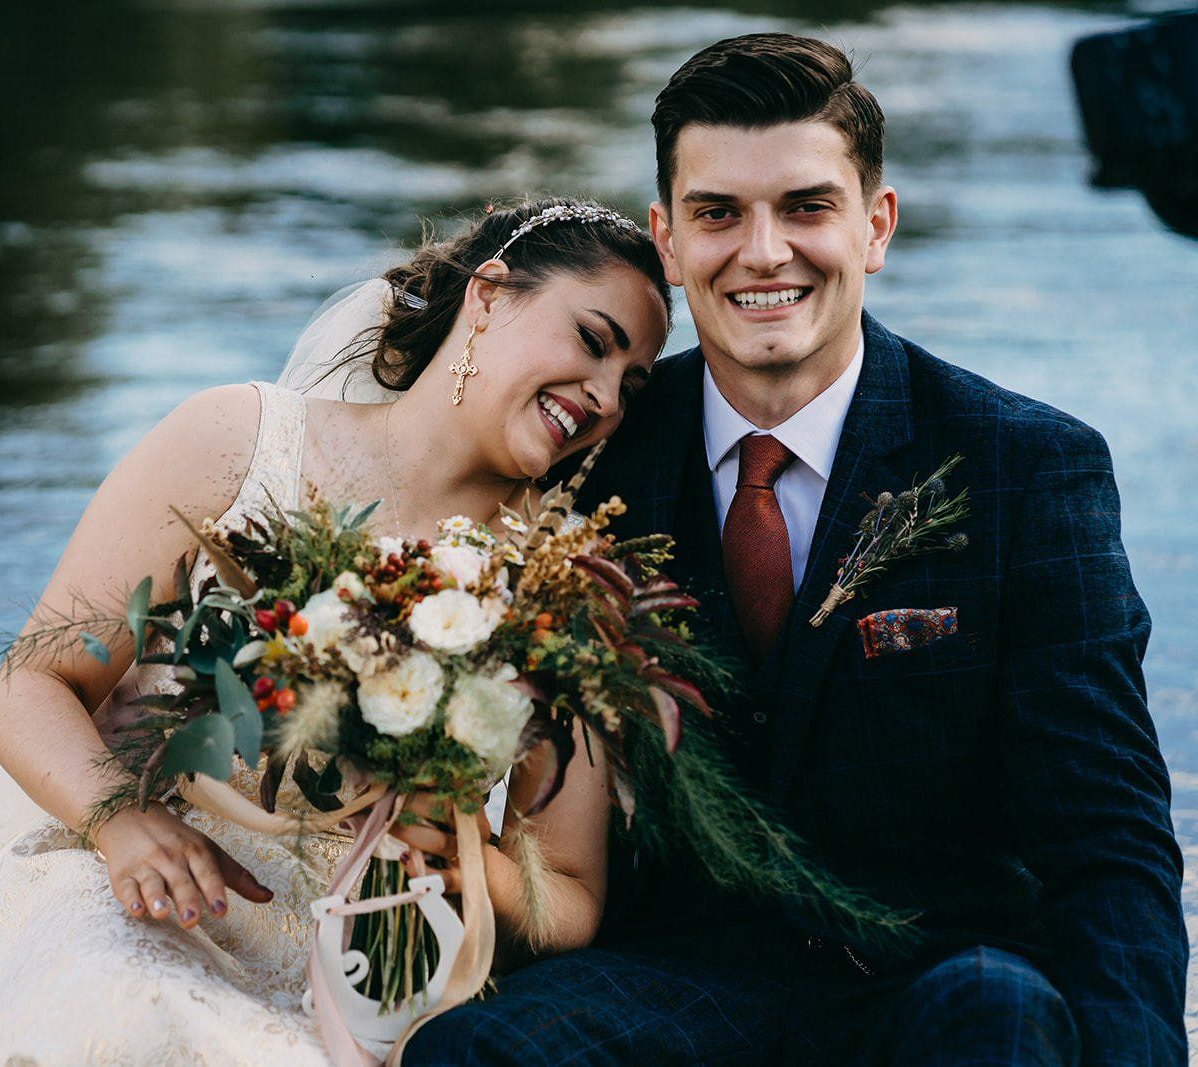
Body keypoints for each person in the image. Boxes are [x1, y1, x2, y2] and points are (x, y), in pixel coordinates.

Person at [404, 33, 1187, 1066]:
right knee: (476, 1052)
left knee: (1006, 1016)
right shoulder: (585, 462)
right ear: (668, 239)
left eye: (807, 208)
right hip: (674, 974)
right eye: (718, 212)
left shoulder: (1025, 465)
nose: (763, 251)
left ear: (875, 224)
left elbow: (1105, 835)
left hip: (941, 967)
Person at [0, 197, 671, 1064]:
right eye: (593, 340)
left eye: (634, 382)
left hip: (373, 965)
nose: (608, 396)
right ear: (490, 295)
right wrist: (119, 822)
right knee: (135, 1011)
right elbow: (30, 685)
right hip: (147, 892)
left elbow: (571, 896)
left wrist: (460, 861)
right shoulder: (240, 444)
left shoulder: (564, 584)